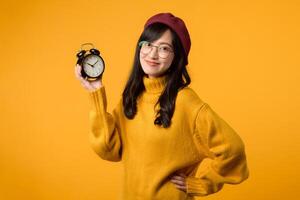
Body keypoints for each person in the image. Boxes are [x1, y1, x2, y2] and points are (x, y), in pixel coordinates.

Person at [75, 12, 249, 200]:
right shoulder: (133, 96)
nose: (152, 54)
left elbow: (233, 150)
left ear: (177, 57)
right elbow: (109, 150)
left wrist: (201, 184)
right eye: (148, 44)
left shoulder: (186, 103)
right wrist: (96, 93)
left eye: (164, 48)